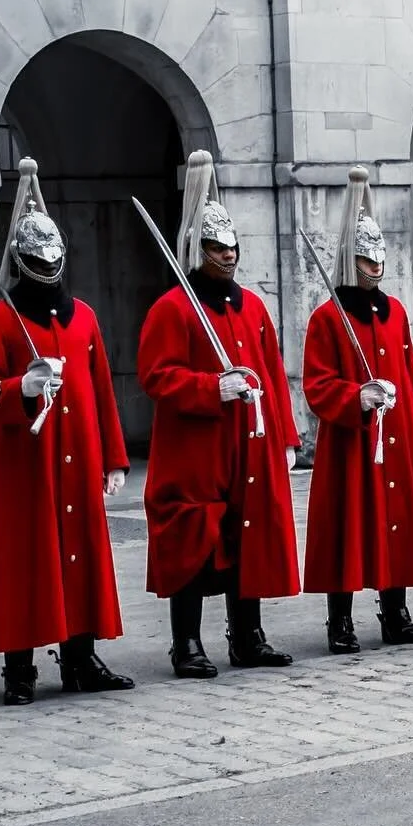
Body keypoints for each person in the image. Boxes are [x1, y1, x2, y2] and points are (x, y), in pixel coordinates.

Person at [0, 157, 133, 705]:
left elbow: (102, 390)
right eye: (40, 259)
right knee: (24, 559)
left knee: (80, 554)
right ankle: (20, 669)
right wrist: (21, 389)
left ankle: (81, 658)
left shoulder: (82, 317)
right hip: (23, 462)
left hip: (78, 456)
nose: (49, 266)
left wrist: (112, 457)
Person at [138, 151, 301, 674]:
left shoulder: (252, 307)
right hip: (196, 446)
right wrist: (212, 387)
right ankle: (185, 642)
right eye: (216, 248)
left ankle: (247, 635)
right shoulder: (173, 308)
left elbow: (272, 375)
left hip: (248, 441)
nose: (227, 256)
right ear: (198, 248)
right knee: (192, 539)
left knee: (247, 533)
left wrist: (285, 435)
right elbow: (157, 377)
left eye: (232, 247)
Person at [302, 165, 413, 652]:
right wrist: (354, 398)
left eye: (379, 256)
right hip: (351, 438)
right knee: (348, 525)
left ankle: (395, 609)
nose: (375, 264)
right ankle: (339, 619)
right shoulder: (327, 318)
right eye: (366, 257)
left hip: (396, 435)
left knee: (397, 524)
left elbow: (409, 374)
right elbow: (317, 385)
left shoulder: (397, 312)